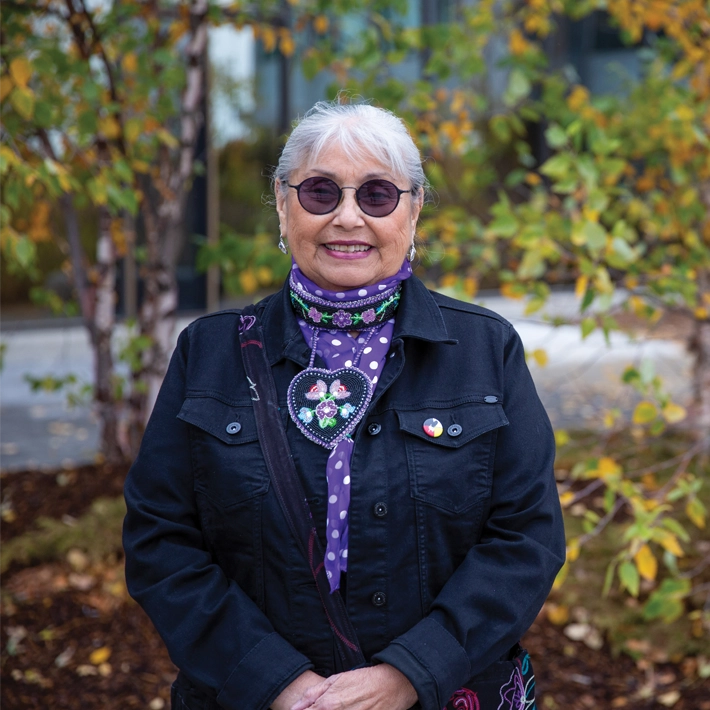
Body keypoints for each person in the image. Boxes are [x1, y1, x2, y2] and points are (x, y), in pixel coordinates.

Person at [123, 100, 565, 710]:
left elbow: (527, 539)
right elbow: (159, 540)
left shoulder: (486, 349)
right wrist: (274, 681)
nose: (347, 218)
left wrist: (409, 674)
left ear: (413, 209)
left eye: (378, 195)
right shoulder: (209, 352)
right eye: (320, 193)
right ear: (283, 204)